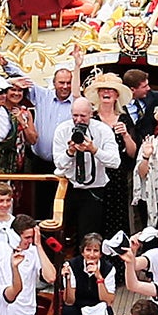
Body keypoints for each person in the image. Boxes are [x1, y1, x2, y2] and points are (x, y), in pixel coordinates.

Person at [52, 96, 120, 244]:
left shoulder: (103, 130)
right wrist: (70, 152)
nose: (78, 120)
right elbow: (59, 163)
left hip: (94, 190)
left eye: (83, 116)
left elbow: (115, 162)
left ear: (91, 114)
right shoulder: (62, 130)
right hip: (68, 187)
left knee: (88, 236)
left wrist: (94, 150)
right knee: (60, 233)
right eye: (75, 115)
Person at [87, 72, 137, 240]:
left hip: (117, 178)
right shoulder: (91, 118)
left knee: (117, 221)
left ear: (117, 95)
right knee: (94, 219)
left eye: (111, 90)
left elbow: (132, 152)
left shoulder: (124, 118)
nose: (106, 93)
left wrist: (126, 135)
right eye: (103, 89)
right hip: (94, 176)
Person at [22, 47, 82, 171]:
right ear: (54, 83)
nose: (65, 86)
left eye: (68, 82)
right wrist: (5, 63)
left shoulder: (77, 103)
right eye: (61, 82)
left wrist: (77, 66)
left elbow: (76, 92)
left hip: (68, 164)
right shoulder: (42, 96)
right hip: (39, 163)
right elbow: (22, 78)